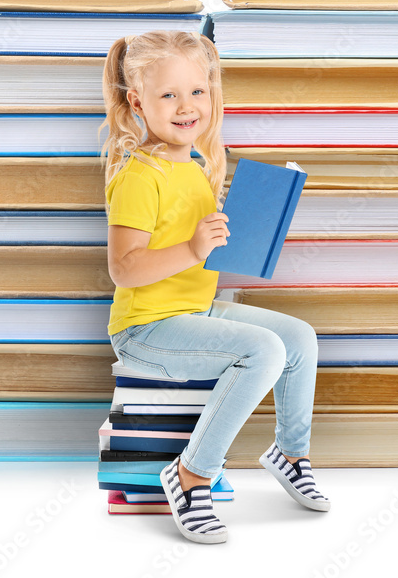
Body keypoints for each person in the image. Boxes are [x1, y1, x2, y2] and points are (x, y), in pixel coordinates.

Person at [98, 29, 330, 545]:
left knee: (300, 338)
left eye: (197, 92)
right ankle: (190, 476)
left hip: (194, 310)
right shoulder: (140, 175)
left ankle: (290, 454)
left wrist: (248, 228)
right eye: (168, 95)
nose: (187, 106)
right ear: (138, 102)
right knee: (263, 351)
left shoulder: (199, 167)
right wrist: (194, 249)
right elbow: (126, 270)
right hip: (145, 327)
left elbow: (201, 251)